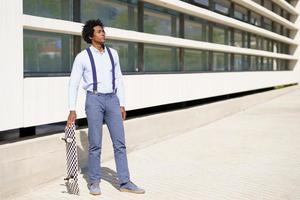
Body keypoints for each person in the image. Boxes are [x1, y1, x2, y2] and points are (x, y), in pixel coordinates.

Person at [67, 19, 145, 195]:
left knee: (120, 143)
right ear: (90, 36)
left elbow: (119, 80)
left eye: (103, 31)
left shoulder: (113, 54)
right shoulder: (82, 57)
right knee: (95, 144)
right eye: (99, 31)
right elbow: (73, 84)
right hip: (93, 100)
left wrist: (122, 103)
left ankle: (125, 182)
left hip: (112, 100)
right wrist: (72, 108)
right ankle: (94, 182)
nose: (103, 33)